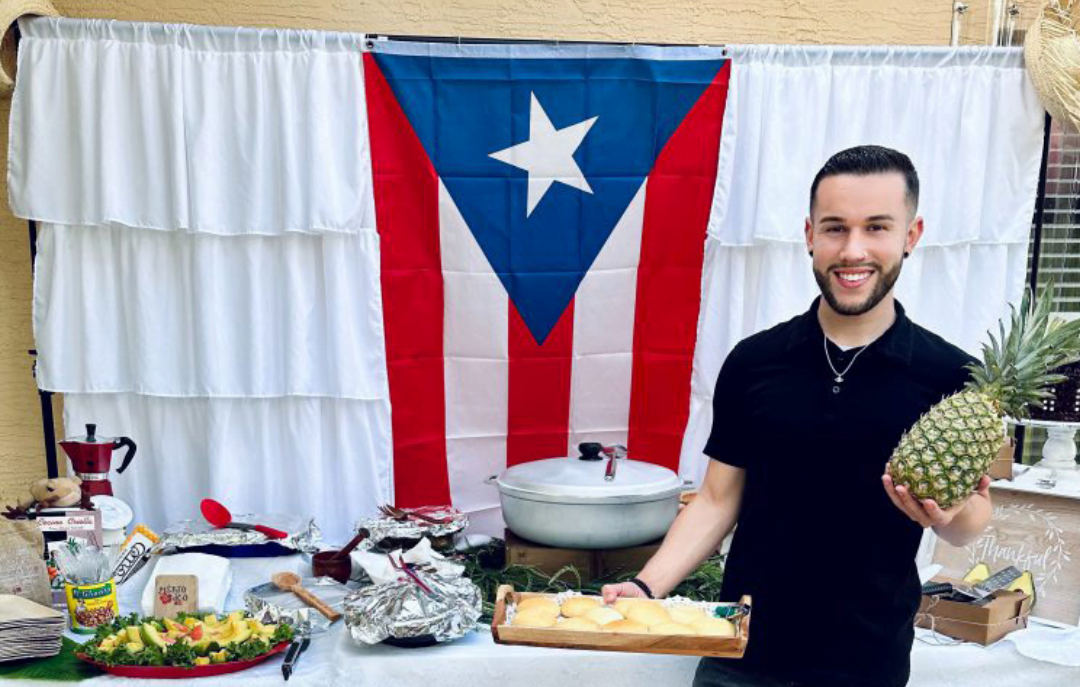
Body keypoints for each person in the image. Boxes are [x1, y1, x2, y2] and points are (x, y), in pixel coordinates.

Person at [602, 145, 993, 687]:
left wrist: (950, 514)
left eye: (876, 227)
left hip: (865, 664)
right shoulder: (755, 361)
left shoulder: (953, 377)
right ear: (809, 235)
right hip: (739, 656)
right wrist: (646, 588)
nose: (853, 250)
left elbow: (972, 521)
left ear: (911, 235)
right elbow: (717, 499)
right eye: (835, 228)